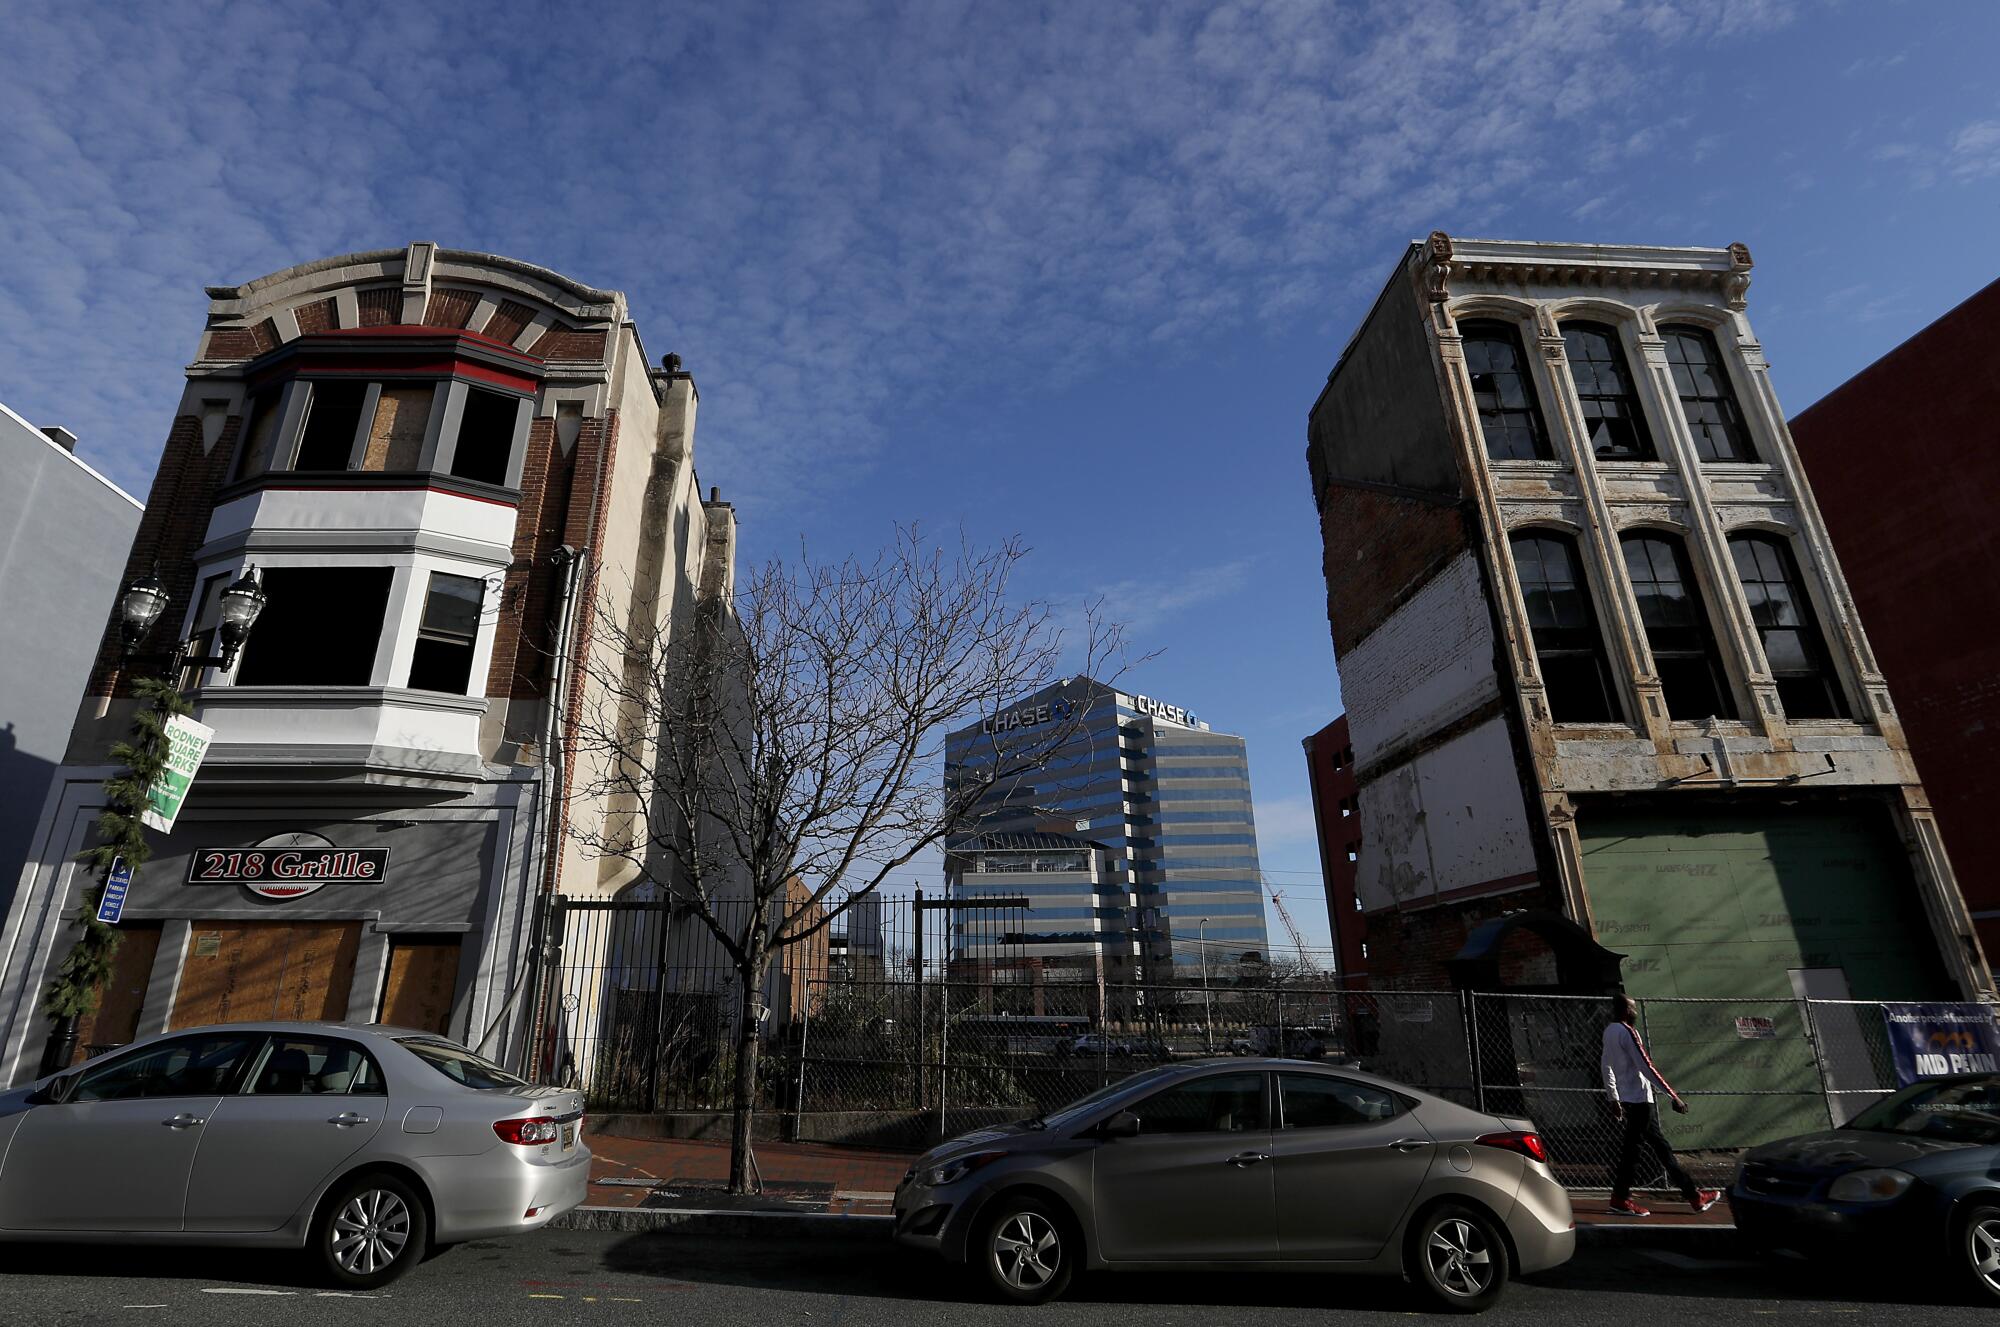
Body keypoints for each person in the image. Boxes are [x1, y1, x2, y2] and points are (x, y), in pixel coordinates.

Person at [1600, 995, 1722, 1216]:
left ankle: (1694, 1196)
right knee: (1635, 1153)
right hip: (1639, 1102)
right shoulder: (1628, 1032)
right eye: (1633, 1008)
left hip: (1630, 1101)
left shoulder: (1609, 1031)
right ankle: (1620, 1199)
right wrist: (1673, 1095)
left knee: (1659, 1149)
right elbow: (1646, 1066)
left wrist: (1614, 1098)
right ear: (1627, 1010)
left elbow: (1605, 1066)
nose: (1635, 1011)